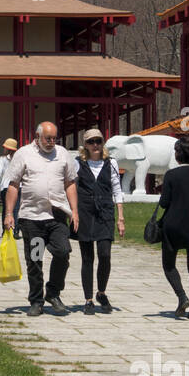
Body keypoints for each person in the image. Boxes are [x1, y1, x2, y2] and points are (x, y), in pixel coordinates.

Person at [3, 122, 79, 317]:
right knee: (35, 260)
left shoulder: (63, 154)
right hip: (33, 218)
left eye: (54, 138)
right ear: (37, 137)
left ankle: (53, 292)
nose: (52, 142)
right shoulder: (24, 154)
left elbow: (70, 183)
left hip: (57, 216)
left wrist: (75, 211)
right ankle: (36, 300)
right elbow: (13, 184)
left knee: (62, 252)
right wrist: (9, 213)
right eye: (48, 138)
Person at [75, 128, 125, 314]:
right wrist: (73, 212)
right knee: (87, 257)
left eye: (98, 141)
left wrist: (120, 217)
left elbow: (117, 189)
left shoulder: (111, 163)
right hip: (85, 213)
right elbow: (70, 186)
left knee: (105, 254)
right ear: (85, 145)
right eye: (91, 142)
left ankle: (101, 292)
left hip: (105, 213)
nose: (95, 145)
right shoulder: (78, 164)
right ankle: (88, 299)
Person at [159, 136, 189, 319]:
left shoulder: (171, 175)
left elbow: (164, 203)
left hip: (173, 224)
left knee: (169, 264)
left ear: (178, 156)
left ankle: (181, 295)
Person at [0, 138, 21, 237]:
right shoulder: (20, 158)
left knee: (6, 209)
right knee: (16, 209)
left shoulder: (3, 159)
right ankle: (15, 230)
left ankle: (5, 230)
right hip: (18, 186)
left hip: (6, 186)